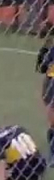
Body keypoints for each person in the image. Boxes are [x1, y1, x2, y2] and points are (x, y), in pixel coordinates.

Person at [36, 28, 54, 165]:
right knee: (52, 122)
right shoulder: (51, 50)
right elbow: (42, 68)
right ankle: (52, 154)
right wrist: (44, 51)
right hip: (51, 86)